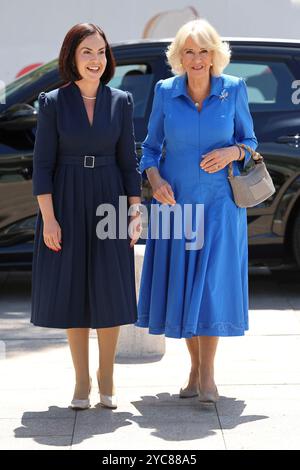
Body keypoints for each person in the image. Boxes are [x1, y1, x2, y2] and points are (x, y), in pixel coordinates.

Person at [136, 19, 257, 403]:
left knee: (210, 289)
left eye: (204, 50)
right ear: (179, 56)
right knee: (185, 287)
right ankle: (193, 369)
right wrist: (155, 181)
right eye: (189, 51)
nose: (197, 58)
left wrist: (232, 152)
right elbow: (150, 149)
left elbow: (250, 142)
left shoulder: (233, 89)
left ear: (214, 55)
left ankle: (208, 375)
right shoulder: (165, 91)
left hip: (222, 207)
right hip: (176, 205)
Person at [31, 23, 142, 410]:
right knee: (73, 290)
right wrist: (49, 218)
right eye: (86, 52)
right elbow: (42, 165)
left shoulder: (121, 101)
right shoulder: (52, 102)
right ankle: (81, 383)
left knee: (110, 288)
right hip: (66, 198)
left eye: (100, 52)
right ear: (72, 57)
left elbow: (130, 163)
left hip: (109, 196)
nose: (95, 60)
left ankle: (106, 377)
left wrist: (135, 211)